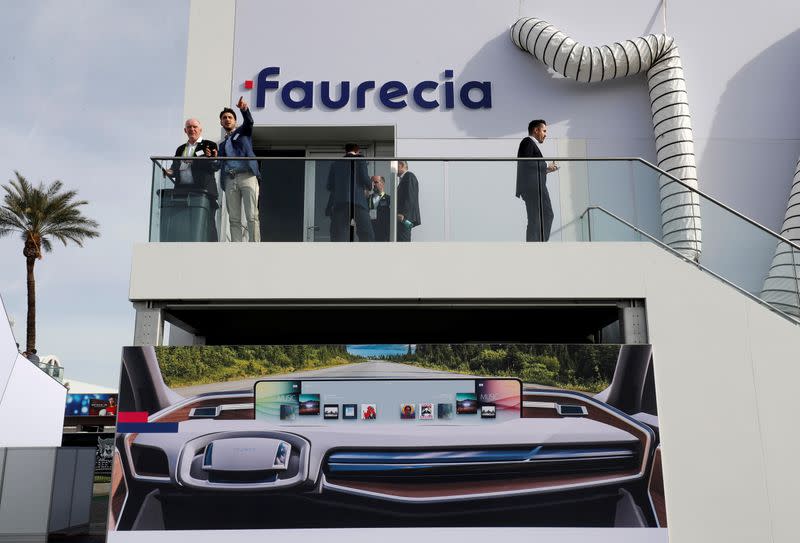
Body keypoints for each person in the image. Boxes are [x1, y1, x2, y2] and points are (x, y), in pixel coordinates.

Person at [165, 118, 220, 241]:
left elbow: (213, 166)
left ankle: (212, 250)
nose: (192, 129)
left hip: (203, 192)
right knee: (184, 224)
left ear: (200, 129)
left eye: (195, 126)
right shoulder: (180, 149)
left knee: (207, 223)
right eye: (189, 127)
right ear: (185, 130)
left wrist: (210, 158)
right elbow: (175, 167)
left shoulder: (209, 145)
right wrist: (169, 172)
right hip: (183, 191)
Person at [217, 96, 261, 242]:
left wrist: (244, 110)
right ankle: (236, 246)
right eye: (224, 118)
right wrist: (212, 157)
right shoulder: (222, 145)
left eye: (230, 117)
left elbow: (249, 122)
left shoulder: (242, 132)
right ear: (221, 122)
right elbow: (218, 164)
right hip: (230, 179)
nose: (227, 119)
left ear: (235, 121)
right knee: (234, 218)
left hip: (247, 176)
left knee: (252, 215)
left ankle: (254, 245)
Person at [516, 119, 558, 242]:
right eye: (544, 131)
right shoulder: (528, 142)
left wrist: (547, 170)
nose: (545, 134)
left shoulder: (529, 144)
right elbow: (527, 161)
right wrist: (545, 166)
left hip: (534, 186)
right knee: (543, 215)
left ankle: (537, 244)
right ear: (536, 130)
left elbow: (530, 166)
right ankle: (537, 245)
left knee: (538, 216)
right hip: (534, 188)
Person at [327, 143, 374, 242]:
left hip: (340, 202)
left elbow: (330, 185)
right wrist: (370, 186)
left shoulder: (335, 163)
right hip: (358, 201)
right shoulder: (360, 159)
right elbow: (364, 178)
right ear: (357, 151)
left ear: (345, 151)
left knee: (339, 234)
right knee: (366, 232)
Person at [396, 161, 421, 242]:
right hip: (402, 218)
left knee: (403, 241)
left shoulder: (409, 176)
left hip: (404, 218)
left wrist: (403, 215)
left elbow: (410, 197)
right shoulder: (404, 178)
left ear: (402, 165)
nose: (394, 169)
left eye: (396, 166)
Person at [368, 175, 391, 242]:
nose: (373, 184)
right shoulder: (366, 198)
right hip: (370, 231)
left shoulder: (389, 199)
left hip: (383, 233)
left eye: (375, 182)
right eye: (371, 182)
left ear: (382, 183)